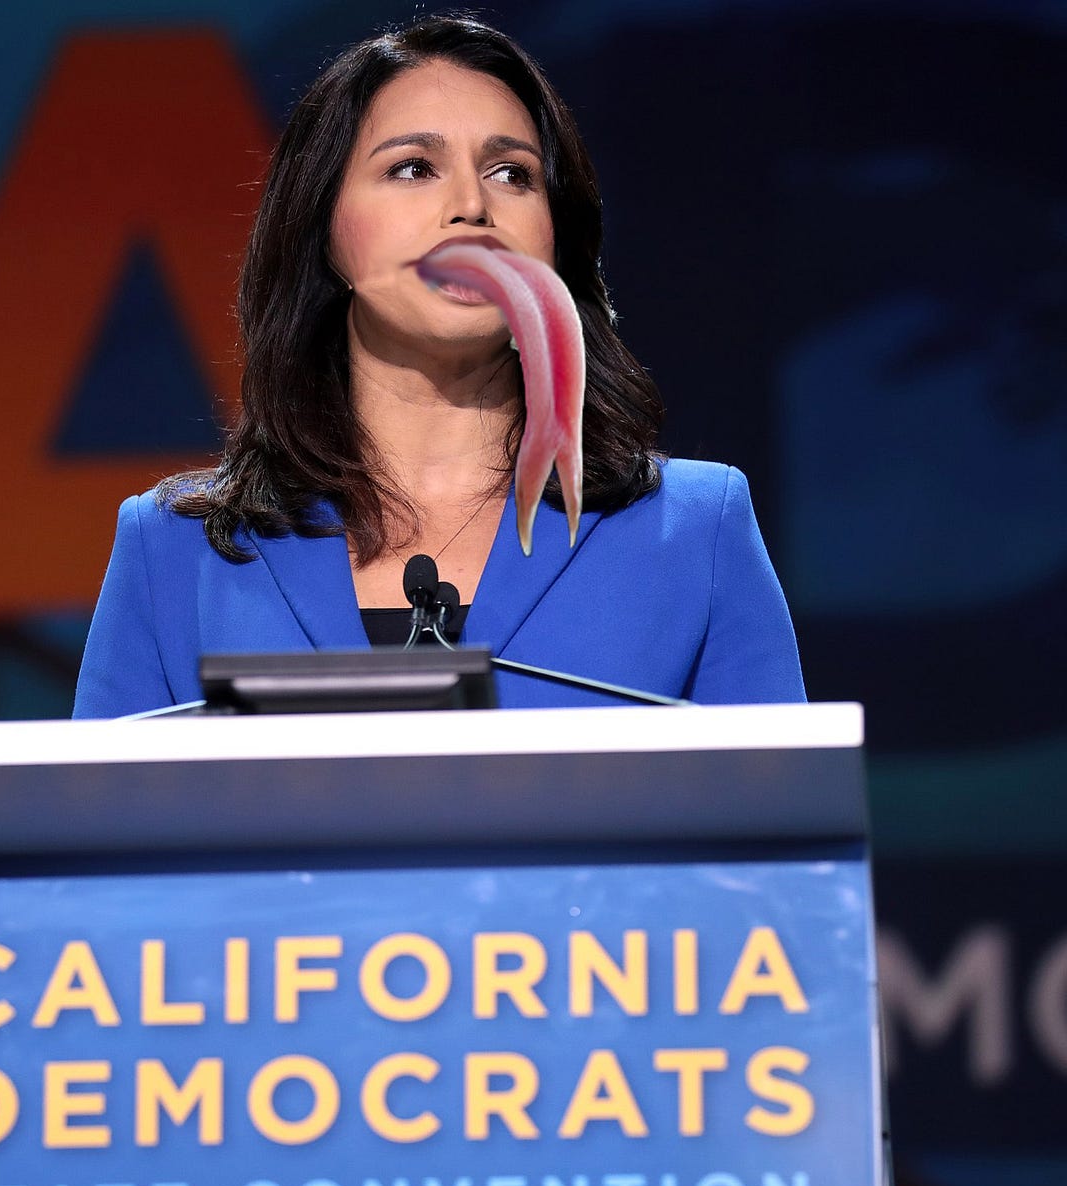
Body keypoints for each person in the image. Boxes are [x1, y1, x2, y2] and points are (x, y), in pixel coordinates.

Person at [73, 15, 805, 719]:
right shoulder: (172, 551)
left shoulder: (694, 533)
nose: (470, 207)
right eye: (413, 168)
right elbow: (99, 838)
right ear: (324, 230)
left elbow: (782, 833)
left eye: (512, 173)